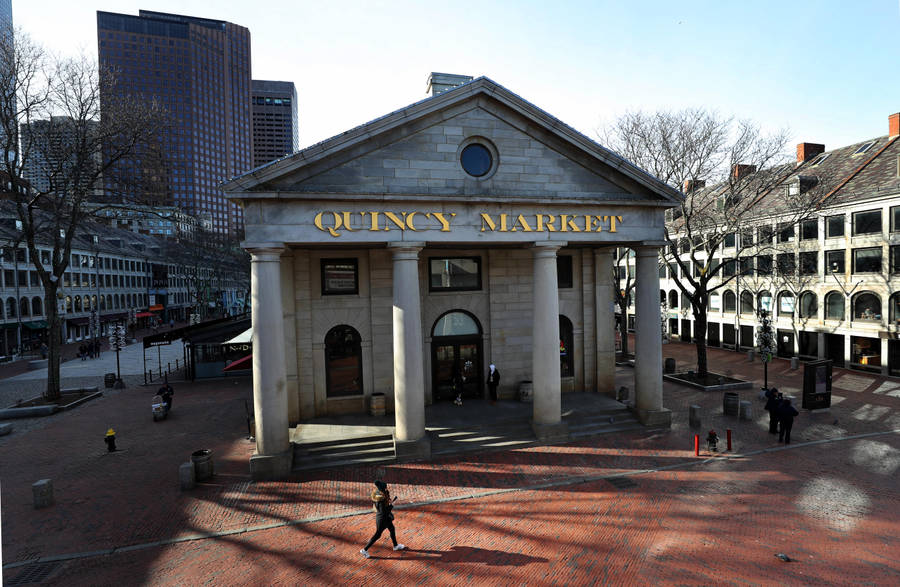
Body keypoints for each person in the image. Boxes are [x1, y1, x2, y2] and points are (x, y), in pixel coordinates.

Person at [360, 480, 405, 558]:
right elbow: (384, 511)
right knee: (377, 535)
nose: (386, 489)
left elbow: (386, 502)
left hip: (385, 517)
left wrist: (389, 502)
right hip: (382, 519)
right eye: (385, 488)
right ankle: (364, 550)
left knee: (392, 528)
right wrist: (392, 505)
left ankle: (395, 545)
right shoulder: (381, 500)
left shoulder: (379, 493)